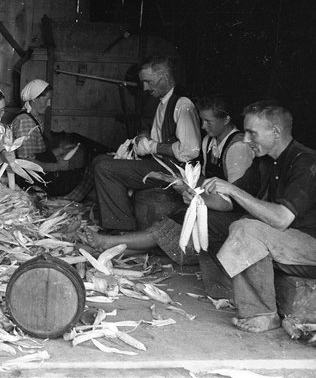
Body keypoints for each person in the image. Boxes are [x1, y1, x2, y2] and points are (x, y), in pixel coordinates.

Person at [84, 96, 254, 264]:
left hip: (228, 214)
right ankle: (111, 251)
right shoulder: (209, 142)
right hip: (210, 204)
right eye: (202, 120)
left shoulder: (238, 147)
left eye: (208, 121)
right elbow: (203, 179)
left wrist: (200, 198)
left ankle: (108, 243)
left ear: (226, 119)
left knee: (170, 231)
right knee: (169, 230)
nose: (203, 126)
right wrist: (186, 186)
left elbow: (234, 200)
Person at [201, 101, 316, 333]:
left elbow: (281, 219)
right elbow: (230, 203)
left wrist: (232, 189)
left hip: (308, 246)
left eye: (252, 133)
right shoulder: (265, 161)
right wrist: (198, 197)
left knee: (245, 229)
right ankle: (224, 287)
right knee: (211, 220)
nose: (245, 140)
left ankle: (264, 313)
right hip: (282, 241)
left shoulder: (305, 162)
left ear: (275, 132)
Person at [89, 56, 201, 234]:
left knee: (105, 168)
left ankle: (121, 229)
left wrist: (151, 147)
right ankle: (114, 219)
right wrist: (144, 137)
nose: (145, 87)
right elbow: (160, 134)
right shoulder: (162, 102)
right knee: (100, 160)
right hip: (159, 162)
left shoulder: (182, 104)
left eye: (148, 81)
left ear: (163, 76)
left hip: (173, 170)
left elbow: (190, 150)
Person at [11, 79, 85, 197]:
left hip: (40, 176)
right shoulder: (25, 121)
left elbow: (37, 154)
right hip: (34, 181)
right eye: (47, 99)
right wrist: (57, 166)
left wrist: (61, 150)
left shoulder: (34, 118)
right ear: (34, 99)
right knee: (87, 173)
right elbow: (26, 162)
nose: (49, 104)